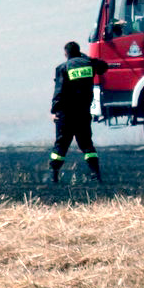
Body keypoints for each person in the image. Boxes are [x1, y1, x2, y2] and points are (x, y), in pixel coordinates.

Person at [49, 41, 108, 183]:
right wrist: (86, 58)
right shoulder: (89, 64)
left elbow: (59, 91)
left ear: (66, 53)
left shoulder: (63, 68)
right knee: (87, 144)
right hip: (83, 112)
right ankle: (96, 174)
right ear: (78, 51)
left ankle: (53, 176)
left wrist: (54, 111)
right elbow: (103, 66)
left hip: (66, 114)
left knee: (61, 145)